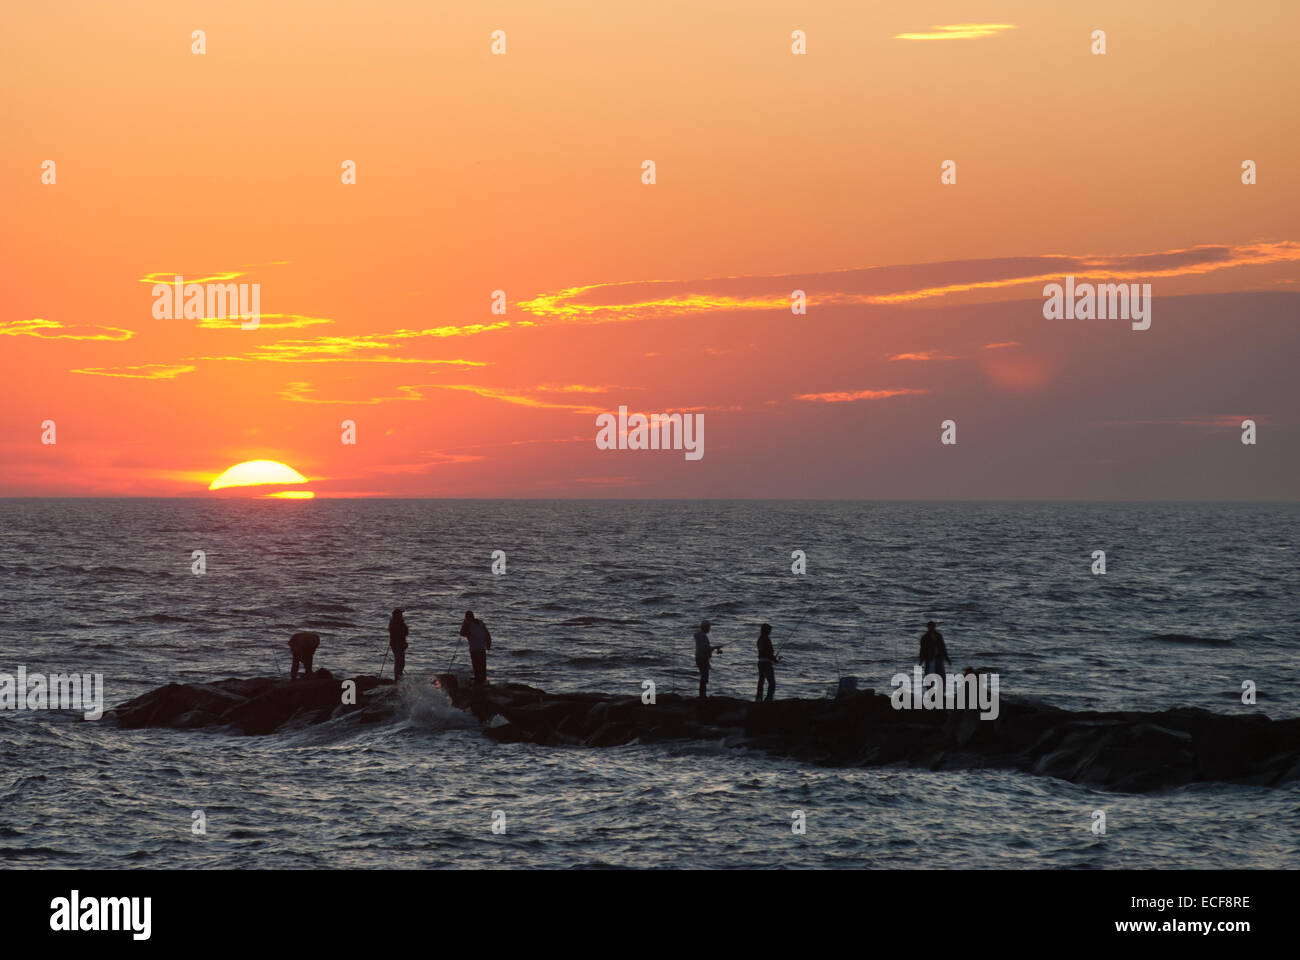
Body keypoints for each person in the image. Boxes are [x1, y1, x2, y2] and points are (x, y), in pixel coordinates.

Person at [460, 610, 492, 687]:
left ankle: (479, 683)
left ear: (467, 617)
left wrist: (465, 624)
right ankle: (482, 682)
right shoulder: (480, 623)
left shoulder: (468, 624)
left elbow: (462, 633)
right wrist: (488, 644)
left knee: (477, 667)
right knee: (482, 666)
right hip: (482, 648)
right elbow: (487, 634)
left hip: (475, 649)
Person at [694, 620, 723, 698]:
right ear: (706, 627)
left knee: (703, 677)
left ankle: (702, 695)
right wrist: (716, 647)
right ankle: (703, 696)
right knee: (704, 677)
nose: (710, 629)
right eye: (709, 627)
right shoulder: (703, 636)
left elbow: (704, 649)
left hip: (699, 658)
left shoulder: (699, 635)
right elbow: (705, 649)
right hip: (703, 659)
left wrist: (714, 648)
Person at [755, 623, 780, 702]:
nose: (770, 632)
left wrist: (772, 658)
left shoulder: (760, 639)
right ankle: (768, 699)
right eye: (769, 630)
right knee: (772, 683)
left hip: (760, 662)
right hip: (766, 663)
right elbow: (767, 652)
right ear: (766, 630)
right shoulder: (766, 639)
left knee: (761, 681)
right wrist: (774, 659)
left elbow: (765, 651)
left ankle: (759, 698)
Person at [388, 609, 409, 681]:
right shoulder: (396, 623)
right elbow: (403, 632)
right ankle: (398, 678)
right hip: (398, 645)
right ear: (396, 614)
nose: (401, 615)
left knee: (400, 662)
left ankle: (399, 677)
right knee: (399, 662)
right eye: (400, 613)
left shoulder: (397, 622)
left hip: (399, 644)